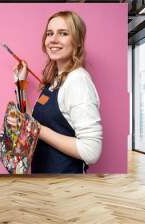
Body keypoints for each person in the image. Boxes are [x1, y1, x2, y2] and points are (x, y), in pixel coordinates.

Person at [9, 11, 102, 173]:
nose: (53, 39)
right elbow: (29, 119)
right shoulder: (56, 80)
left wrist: (37, 129)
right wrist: (20, 83)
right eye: (49, 33)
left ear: (78, 41)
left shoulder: (78, 81)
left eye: (63, 33)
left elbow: (91, 151)